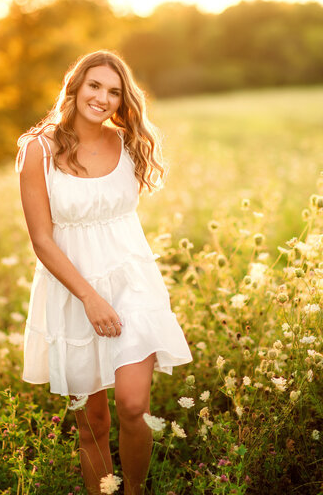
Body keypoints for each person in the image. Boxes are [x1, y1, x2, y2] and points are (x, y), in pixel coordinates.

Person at [16, 50, 193, 495]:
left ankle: (133, 490)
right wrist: (90, 298)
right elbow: (42, 239)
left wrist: (109, 295)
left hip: (132, 281)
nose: (103, 98)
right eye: (95, 86)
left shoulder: (128, 143)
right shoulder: (37, 149)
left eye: (114, 91)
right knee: (93, 421)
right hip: (71, 290)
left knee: (134, 406)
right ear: (74, 87)